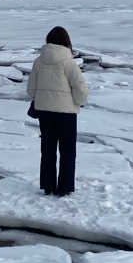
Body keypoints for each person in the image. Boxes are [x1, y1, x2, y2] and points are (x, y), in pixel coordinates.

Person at [26, 26, 88, 196]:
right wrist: (79, 102)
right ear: (66, 41)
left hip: (45, 113)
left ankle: (48, 186)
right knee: (67, 151)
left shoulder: (38, 61)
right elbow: (80, 89)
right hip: (66, 113)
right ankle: (65, 188)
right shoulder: (69, 63)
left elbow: (31, 90)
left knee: (47, 150)